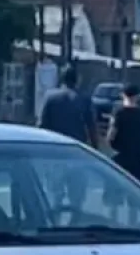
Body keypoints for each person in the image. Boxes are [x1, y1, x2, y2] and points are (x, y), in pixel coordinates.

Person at [38, 67, 96, 207]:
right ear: (77, 80)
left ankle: (55, 214)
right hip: (76, 150)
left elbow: (42, 125)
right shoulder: (83, 99)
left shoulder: (50, 97)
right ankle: (75, 215)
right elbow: (91, 127)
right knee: (77, 194)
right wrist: (95, 149)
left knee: (54, 193)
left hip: (54, 151)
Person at [108, 83, 140, 184]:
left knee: (118, 187)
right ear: (138, 96)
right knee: (138, 189)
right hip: (137, 159)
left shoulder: (119, 113)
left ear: (123, 95)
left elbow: (111, 135)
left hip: (120, 159)